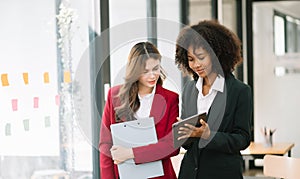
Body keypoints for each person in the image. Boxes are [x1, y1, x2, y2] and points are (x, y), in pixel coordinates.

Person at [175, 20, 252, 179]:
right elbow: (189, 144)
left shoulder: (239, 91)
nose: (196, 64)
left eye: (201, 57)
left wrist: (209, 136)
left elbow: (243, 139)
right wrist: (182, 134)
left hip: (222, 173)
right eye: (190, 59)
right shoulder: (189, 89)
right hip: (190, 173)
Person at [99, 42, 180, 179]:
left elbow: (171, 146)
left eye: (156, 68)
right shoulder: (115, 96)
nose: (152, 75)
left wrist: (131, 153)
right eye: (145, 71)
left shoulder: (171, 99)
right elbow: (105, 144)